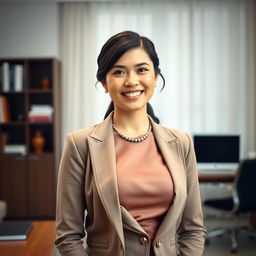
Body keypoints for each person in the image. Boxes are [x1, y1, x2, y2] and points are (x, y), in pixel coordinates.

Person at [55, 31, 206, 256]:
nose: (131, 81)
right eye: (119, 72)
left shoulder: (181, 143)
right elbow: (68, 235)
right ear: (104, 82)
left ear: (155, 77)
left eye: (142, 69)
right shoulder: (80, 144)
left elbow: (193, 229)